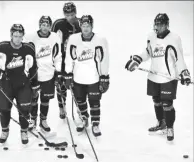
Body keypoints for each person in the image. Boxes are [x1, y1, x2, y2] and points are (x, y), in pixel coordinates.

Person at [125, 13, 191, 143]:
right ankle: (161, 123)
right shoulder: (151, 36)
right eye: (156, 24)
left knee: (167, 103)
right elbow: (148, 52)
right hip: (154, 75)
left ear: (167, 24)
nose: (158, 27)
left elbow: (179, 58)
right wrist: (137, 60)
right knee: (156, 101)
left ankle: (170, 127)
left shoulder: (174, 38)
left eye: (161, 24)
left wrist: (184, 72)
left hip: (168, 77)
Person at [0, 24, 39, 145]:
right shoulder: (2, 47)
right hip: (6, 84)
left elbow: (34, 68)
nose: (17, 39)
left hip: (23, 84)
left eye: (20, 36)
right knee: (4, 109)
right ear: (11, 35)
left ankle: (24, 131)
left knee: (24, 110)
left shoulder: (28, 49)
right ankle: (5, 131)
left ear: (23, 36)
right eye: (15, 36)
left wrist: (35, 85)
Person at [65, 15, 110, 137]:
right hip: (78, 78)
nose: (85, 28)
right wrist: (68, 74)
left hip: (94, 78)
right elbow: (69, 58)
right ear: (80, 26)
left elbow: (104, 60)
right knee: (80, 100)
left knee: (94, 101)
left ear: (92, 26)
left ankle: (95, 123)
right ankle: (84, 118)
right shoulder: (74, 39)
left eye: (88, 26)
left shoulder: (100, 40)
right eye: (83, 26)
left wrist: (104, 76)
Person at [27, 16, 62, 133]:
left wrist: (58, 72)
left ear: (50, 26)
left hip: (49, 74)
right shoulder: (31, 37)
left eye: (47, 25)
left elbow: (58, 56)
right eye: (43, 25)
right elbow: (26, 56)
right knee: (33, 98)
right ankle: (32, 120)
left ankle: (43, 120)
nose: (45, 27)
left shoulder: (55, 37)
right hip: (35, 74)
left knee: (45, 99)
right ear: (39, 25)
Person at [52, 2, 81, 119]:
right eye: (67, 14)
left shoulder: (81, 23)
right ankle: (62, 107)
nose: (69, 17)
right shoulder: (58, 23)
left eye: (72, 14)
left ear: (75, 13)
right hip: (62, 59)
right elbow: (52, 41)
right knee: (61, 84)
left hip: (77, 60)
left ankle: (80, 109)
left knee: (77, 85)